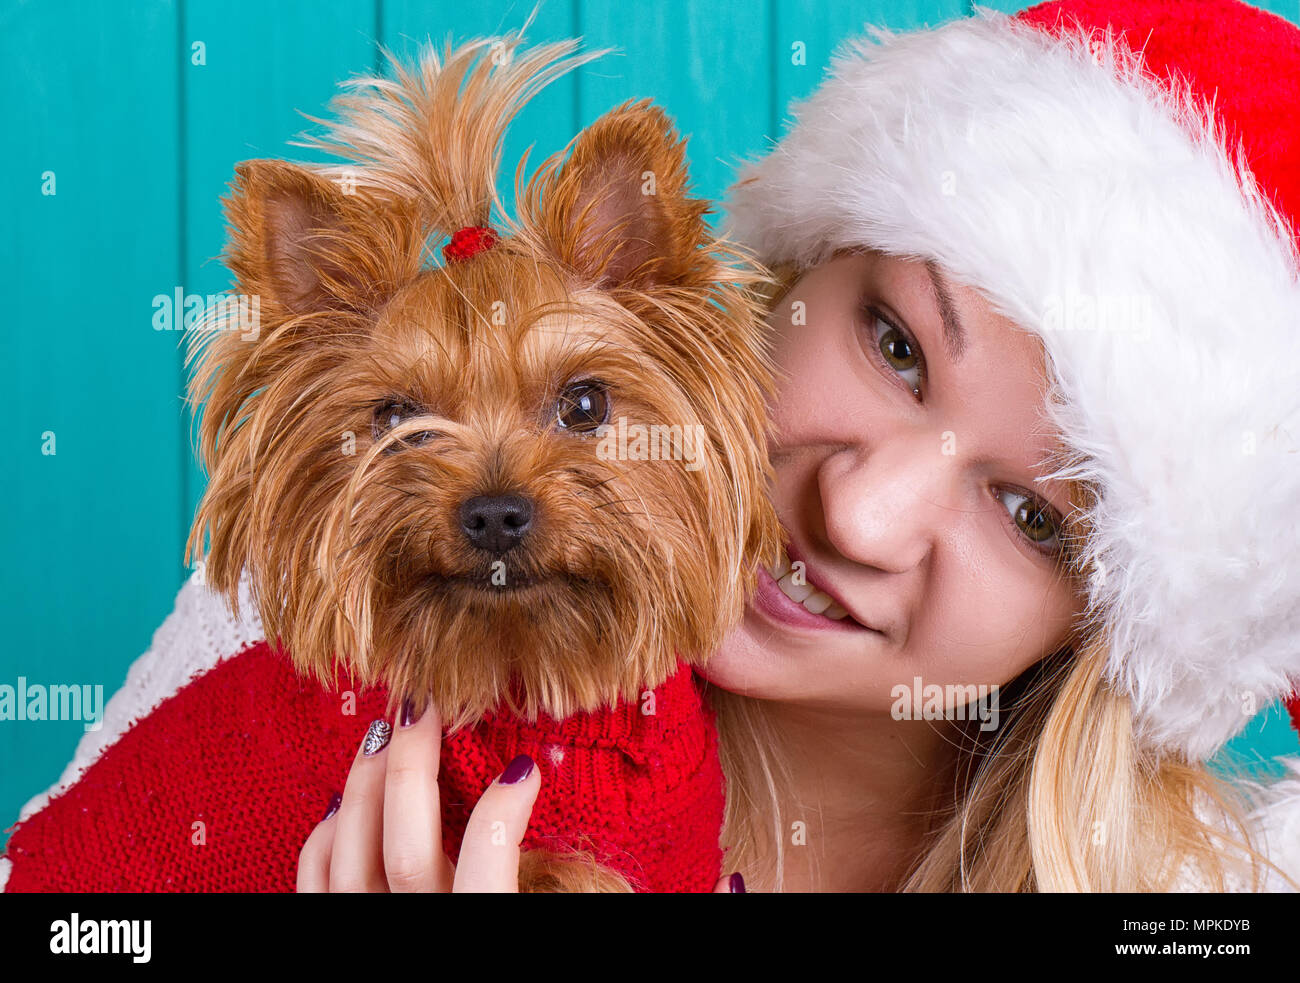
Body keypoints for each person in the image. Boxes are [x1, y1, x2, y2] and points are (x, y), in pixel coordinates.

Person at [5, 0, 1299, 892]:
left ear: (1111, 627)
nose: (862, 514)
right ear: (783, 277)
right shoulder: (310, 625)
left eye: (1036, 518)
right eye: (896, 345)